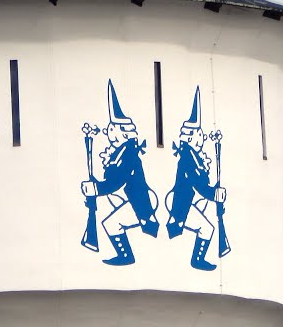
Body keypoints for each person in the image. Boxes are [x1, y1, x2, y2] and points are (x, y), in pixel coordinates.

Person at [80, 80, 159, 266]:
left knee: (111, 224)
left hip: (139, 204)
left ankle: (126, 256)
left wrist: (96, 189)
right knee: (111, 223)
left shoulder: (128, 153)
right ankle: (125, 255)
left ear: (122, 133)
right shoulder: (121, 151)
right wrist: (95, 187)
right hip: (131, 200)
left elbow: (117, 181)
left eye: (112, 128)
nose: (108, 131)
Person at [165, 87, 226, 271]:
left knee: (206, 228)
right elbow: (198, 185)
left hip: (186, 204)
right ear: (193, 136)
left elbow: (201, 183)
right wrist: (214, 194)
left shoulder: (192, 156)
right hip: (181, 210)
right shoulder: (188, 158)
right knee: (206, 229)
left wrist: (214, 191)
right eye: (199, 133)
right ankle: (197, 260)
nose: (202, 137)